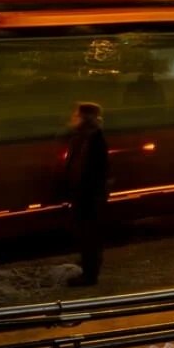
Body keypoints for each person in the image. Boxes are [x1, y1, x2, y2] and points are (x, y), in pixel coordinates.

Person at [61, 101, 110, 287]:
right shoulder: (82, 137)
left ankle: (90, 275)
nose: (74, 118)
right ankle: (88, 267)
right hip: (83, 193)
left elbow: (96, 169)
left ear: (85, 118)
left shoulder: (94, 139)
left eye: (78, 115)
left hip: (89, 194)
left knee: (89, 234)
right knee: (85, 233)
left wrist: (88, 191)